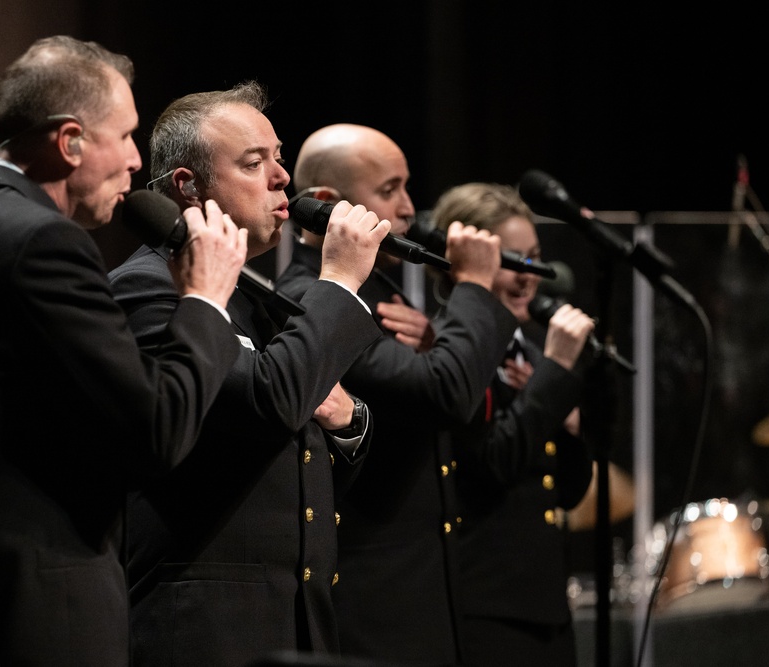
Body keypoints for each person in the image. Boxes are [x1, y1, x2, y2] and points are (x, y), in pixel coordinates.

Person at [0, 36, 249, 666]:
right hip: (37, 622)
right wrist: (206, 301)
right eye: (124, 136)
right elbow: (158, 430)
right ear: (70, 141)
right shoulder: (41, 244)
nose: (136, 162)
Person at [107, 83, 391, 666]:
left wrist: (349, 422)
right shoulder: (150, 286)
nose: (282, 176)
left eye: (278, 156)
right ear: (188, 186)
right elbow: (266, 406)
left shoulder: (248, 296)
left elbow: (297, 464)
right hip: (205, 634)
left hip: (295, 621)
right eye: (253, 162)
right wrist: (337, 280)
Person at [276, 123, 517, 665]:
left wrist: (439, 339)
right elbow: (443, 393)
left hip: (426, 591)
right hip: (373, 603)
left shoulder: (379, 293)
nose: (409, 208)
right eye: (389, 190)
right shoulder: (308, 300)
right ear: (325, 204)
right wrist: (475, 286)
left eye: (408, 187)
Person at [429, 182, 596, 666]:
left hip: (546, 605)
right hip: (486, 610)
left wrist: (566, 421)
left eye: (535, 258)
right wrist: (554, 376)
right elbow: (492, 464)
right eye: (512, 261)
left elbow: (568, 491)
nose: (529, 277)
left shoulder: (534, 349)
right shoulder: (447, 351)